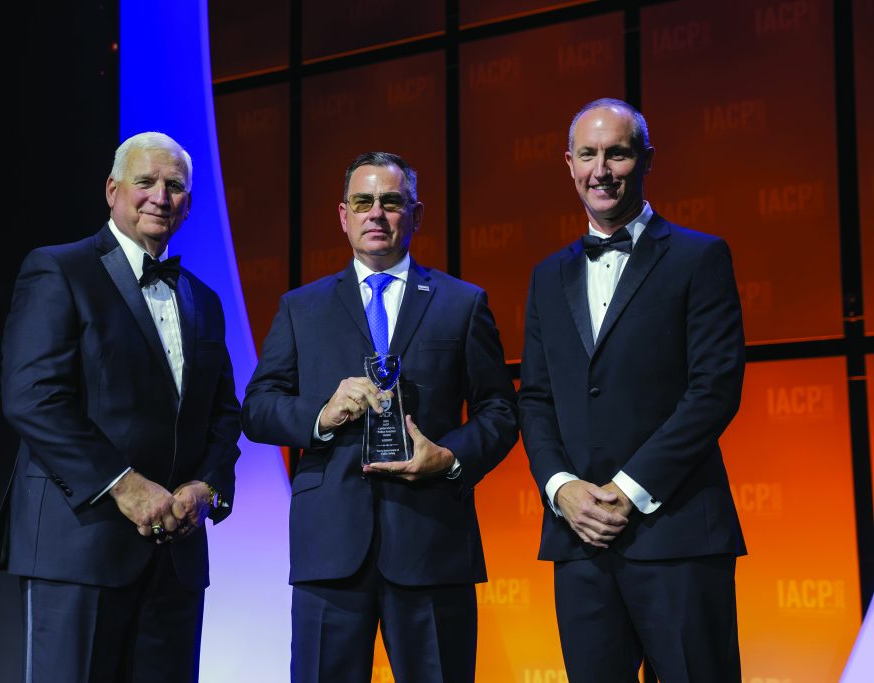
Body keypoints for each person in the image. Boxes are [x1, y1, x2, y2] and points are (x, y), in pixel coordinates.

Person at [242, 151, 518, 683]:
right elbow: (258, 408)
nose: (376, 214)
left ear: (415, 215)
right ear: (342, 216)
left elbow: (500, 410)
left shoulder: (461, 304)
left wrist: (450, 456)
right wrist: (320, 414)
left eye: (391, 202)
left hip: (431, 541)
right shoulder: (301, 307)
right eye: (362, 202)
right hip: (330, 550)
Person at [0, 132, 241, 682]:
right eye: (145, 182)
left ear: (189, 204)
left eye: (174, 186)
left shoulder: (205, 299)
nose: (160, 196)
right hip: (80, 545)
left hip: (176, 554)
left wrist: (208, 487)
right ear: (112, 190)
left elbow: (223, 413)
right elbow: (33, 398)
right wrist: (126, 486)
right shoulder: (59, 269)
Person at [518, 98, 747, 682]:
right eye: (588, 154)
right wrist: (561, 487)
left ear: (645, 159)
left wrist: (627, 489)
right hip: (578, 543)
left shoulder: (700, 256)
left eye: (617, 153)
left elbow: (714, 390)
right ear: (568, 164)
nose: (601, 169)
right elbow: (536, 398)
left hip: (678, 536)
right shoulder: (548, 275)